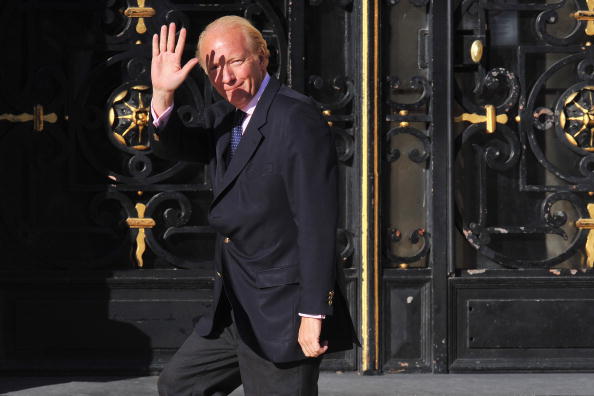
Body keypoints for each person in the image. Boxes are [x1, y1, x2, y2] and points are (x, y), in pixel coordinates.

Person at [150, 16, 358, 396]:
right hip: (236, 307)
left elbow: (316, 222)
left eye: (234, 62)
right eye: (214, 67)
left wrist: (313, 312)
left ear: (263, 58)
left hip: (283, 309)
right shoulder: (224, 116)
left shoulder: (296, 118)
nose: (225, 77)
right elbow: (179, 145)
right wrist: (162, 95)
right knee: (179, 385)